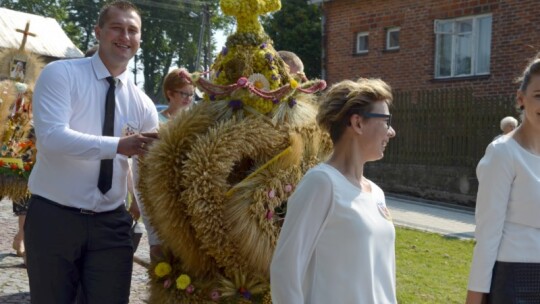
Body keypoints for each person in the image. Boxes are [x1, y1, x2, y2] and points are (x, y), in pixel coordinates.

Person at [25, 1, 159, 303]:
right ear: (98, 32)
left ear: (139, 40)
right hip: (54, 217)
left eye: (132, 30)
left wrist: (156, 237)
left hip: (111, 225)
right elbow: (51, 138)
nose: (125, 36)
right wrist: (118, 146)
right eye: (117, 27)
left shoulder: (144, 104)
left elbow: (145, 176)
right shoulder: (61, 75)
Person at [270, 78, 397, 303]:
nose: (392, 132)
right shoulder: (321, 184)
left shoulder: (376, 193)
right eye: (386, 121)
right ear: (357, 123)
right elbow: (285, 270)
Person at [466, 55, 540, 303]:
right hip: (515, 278)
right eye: (539, 95)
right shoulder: (503, 153)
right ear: (521, 99)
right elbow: (487, 234)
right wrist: (475, 298)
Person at [135, 67, 194, 262]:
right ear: (170, 93)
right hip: (160, 189)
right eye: (184, 93)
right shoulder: (156, 121)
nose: (188, 98)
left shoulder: (192, 123)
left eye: (191, 95)